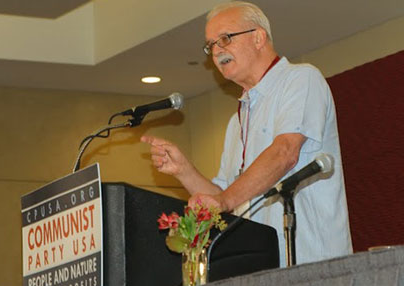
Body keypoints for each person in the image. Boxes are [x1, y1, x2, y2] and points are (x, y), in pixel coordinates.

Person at [141, 1, 352, 266]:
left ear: (258, 37)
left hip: (313, 263)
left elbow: (284, 152)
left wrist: (224, 200)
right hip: (261, 271)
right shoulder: (236, 122)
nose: (217, 51)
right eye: (211, 45)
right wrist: (184, 170)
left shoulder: (300, 80)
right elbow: (224, 199)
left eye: (225, 39)